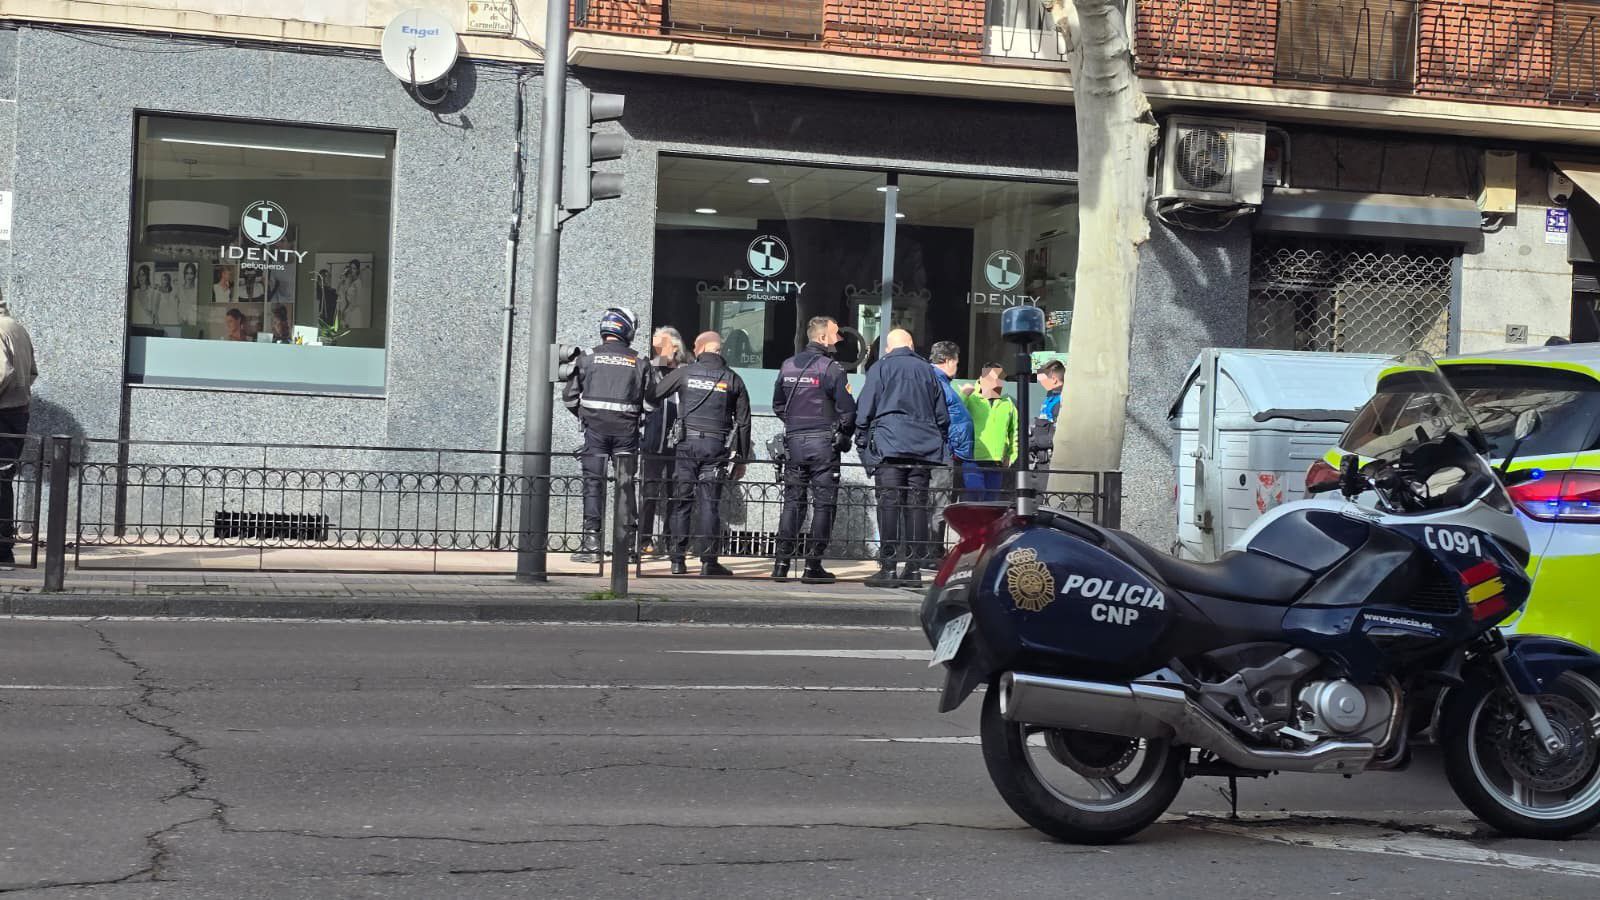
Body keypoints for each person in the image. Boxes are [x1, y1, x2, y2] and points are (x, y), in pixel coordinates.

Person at [652, 330, 752, 577]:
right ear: (719, 351)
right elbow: (744, 422)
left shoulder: (685, 373)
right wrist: (740, 459)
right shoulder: (733, 379)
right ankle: (709, 562)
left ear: (699, 348)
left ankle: (678, 560)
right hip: (716, 448)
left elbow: (653, 394)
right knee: (710, 504)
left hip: (687, 445)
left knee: (682, 501)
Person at [855, 329, 948, 588]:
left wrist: (862, 441)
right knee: (917, 505)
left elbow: (865, 408)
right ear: (911, 344)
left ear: (889, 347)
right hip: (922, 448)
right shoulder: (928, 371)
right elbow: (942, 415)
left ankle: (888, 567)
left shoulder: (881, 368)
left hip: (889, 445)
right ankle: (914, 569)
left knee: (889, 503)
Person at [562, 307, 656, 564]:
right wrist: (638, 418)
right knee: (626, 485)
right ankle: (627, 547)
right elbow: (651, 401)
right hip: (627, 433)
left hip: (595, 433)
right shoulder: (640, 361)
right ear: (627, 330)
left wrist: (586, 416)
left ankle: (592, 544)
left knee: (594, 484)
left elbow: (569, 396)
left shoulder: (588, 357)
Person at [772, 316, 855, 585]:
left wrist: (796, 425)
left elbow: (778, 405)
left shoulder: (787, 365)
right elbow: (847, 410)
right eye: (834, 334)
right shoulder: (831, 369)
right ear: (821, 338)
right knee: (823, 504)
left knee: (793, 502)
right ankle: (812, 565)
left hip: (795, 442)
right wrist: (841, 432)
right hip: (823, 445)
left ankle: (781, 564)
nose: (838, 339)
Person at [639, 326, 691, 558]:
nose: (658, 350)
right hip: (652, 440)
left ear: (676, 347)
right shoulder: (650, 368)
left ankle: (671, 540)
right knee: (649, 491)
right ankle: (643, 540)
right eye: (656, 346)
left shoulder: (687, 370)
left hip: (679, 442)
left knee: (676, 493)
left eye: (662, 346)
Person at [0, 293, 37, 570]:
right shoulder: (17, 328)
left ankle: (2, 552)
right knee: (3, 480)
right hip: (17, 412)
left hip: (2, 413)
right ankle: (4, 550)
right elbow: (32, 372)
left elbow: (4, 372)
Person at [960, 362, 1019, 501]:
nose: (996, 384)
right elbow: (955, 415)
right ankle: (972, 523)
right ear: (982, 379)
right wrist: (964, 395)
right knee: (975, 493)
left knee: (991, 502)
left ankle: (985, 523)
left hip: (996, 461)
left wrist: (1012, 455)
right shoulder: (972, 398)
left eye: (999, 380)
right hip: (973, 459)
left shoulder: (1008, 404)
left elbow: (1015, 432)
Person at [929, 341, 975, 504]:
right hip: (945, 453)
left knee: (945, 504)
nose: (957, 366)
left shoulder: (942, 383)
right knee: (940, 505)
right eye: (956, 362)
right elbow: (940, 417)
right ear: (948, 361)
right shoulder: (937, 382)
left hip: (951, 453)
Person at [1031, 359, 1065, 468]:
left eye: (1043, 380)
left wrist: (1032, 442)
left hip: (1051, 460)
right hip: (1040, 458)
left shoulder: (1062, 401)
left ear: (1054, 379)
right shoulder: (1050, 396)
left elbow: (1057, 436)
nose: (1041, 383)